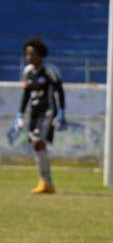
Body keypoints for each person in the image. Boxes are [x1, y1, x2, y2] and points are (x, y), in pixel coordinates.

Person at [12, 37, 66, 194]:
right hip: (34, 113)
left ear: (41, 54)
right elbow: (26, 93)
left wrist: (61, 112)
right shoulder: (28, 71)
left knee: (38, 143)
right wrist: (20, 114)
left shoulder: (50, 70)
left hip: (48, 111)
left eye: (32, 54)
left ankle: (46, 182)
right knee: (37, 146)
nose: (29, 57)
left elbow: (59, 91)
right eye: (27, 54)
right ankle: (46, 182)